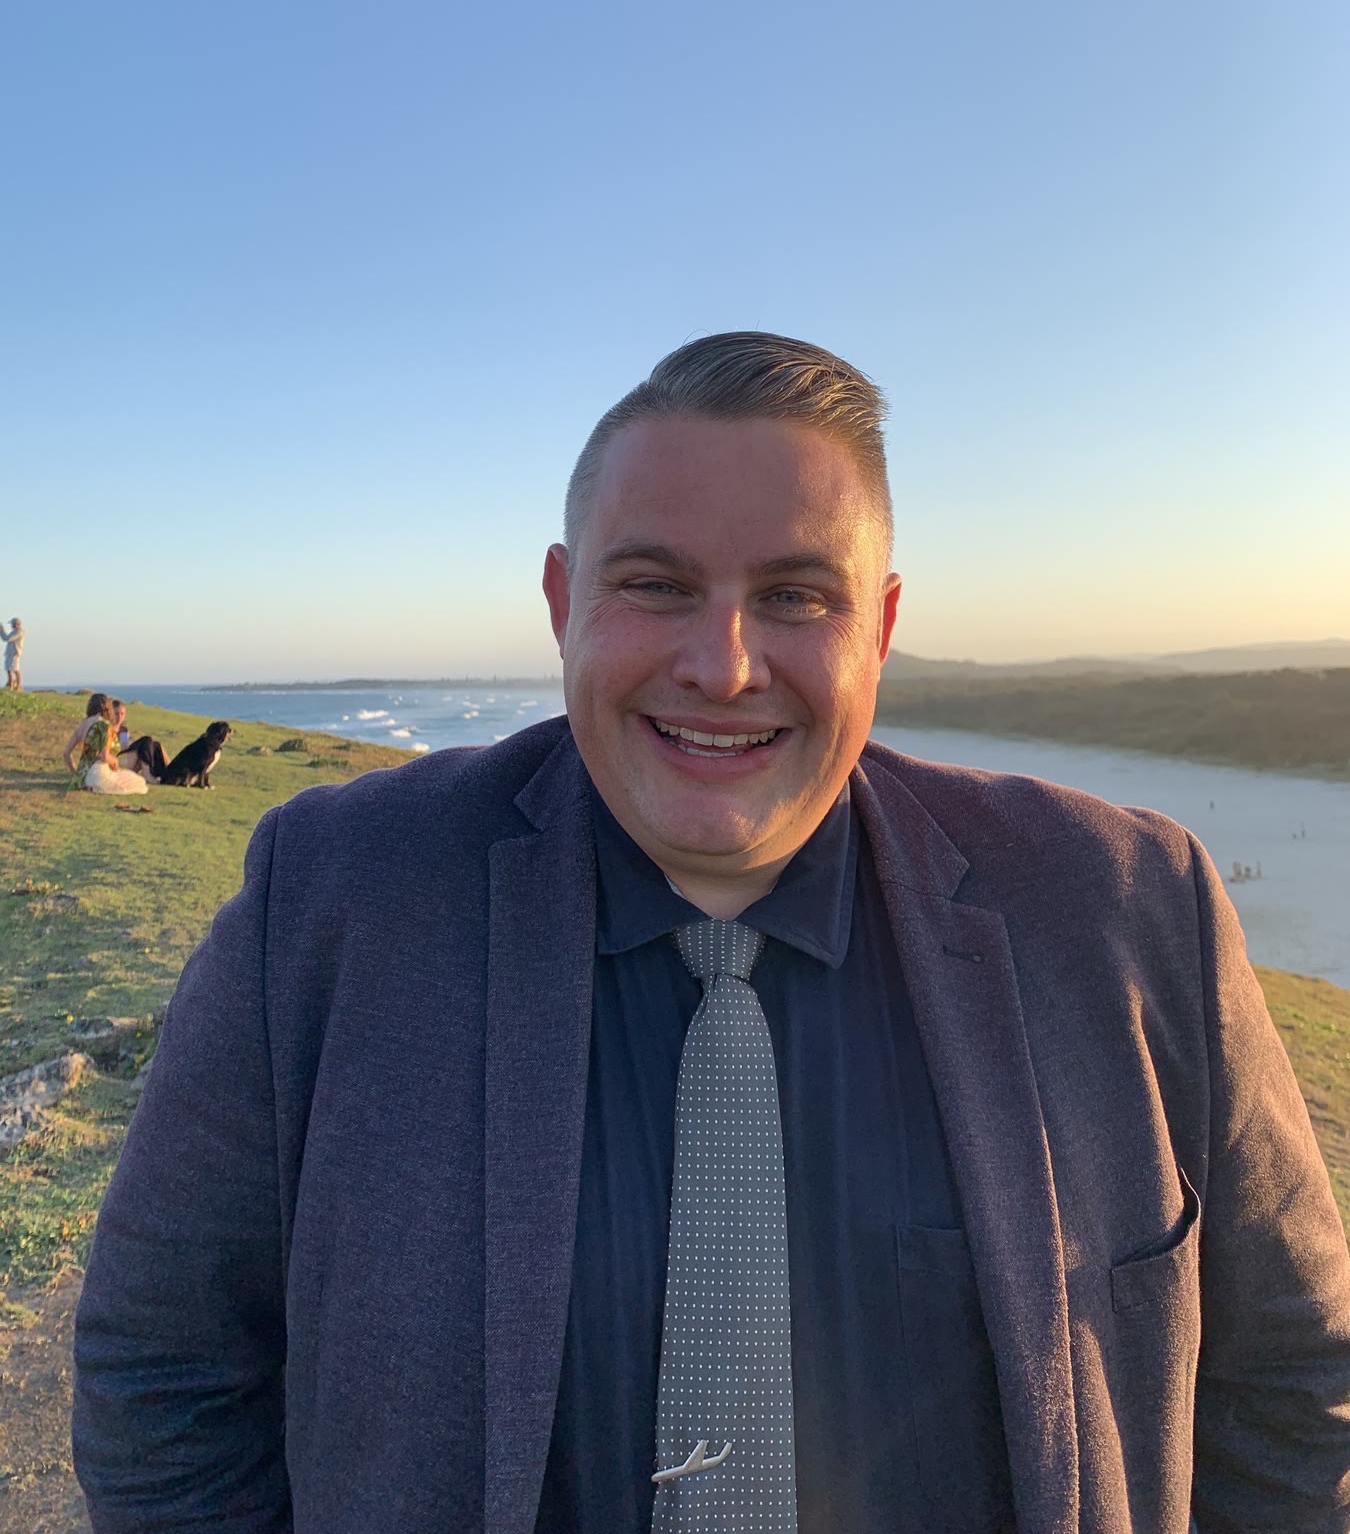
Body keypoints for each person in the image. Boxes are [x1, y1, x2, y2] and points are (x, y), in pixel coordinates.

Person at [72, 333, 1350, 1533]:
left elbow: (1297, 1386)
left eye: (794, 595)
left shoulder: (1125, 910)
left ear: (880, 629)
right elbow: (166, 1367)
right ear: (564, 602)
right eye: (657, 585)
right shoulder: (332, 902)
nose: (724, 665)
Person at [68, 708, 149, 796]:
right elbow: (103, 755)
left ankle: (147, 773)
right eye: (117, 713)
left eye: (122, 714)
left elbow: (124, 747)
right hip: (107, 763)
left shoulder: (123, 730)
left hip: (116, 759)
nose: (119, 717)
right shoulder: (105, 728)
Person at [2, 615, 22, 690]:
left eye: (12, 624)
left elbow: (8, 639)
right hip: (9, 653)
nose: (11, 625)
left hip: (15, 653)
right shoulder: (13, 632)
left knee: (16, 670)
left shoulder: (20, 632)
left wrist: (2, 631)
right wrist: (1, 631)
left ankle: (18, 687)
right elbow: (5, 638)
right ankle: (11, 686)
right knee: (9, 670)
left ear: (16, 624)